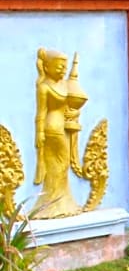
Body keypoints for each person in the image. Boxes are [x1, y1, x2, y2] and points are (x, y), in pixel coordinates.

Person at [32, 47, 83, 218]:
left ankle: (61, 201)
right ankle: (52, 203)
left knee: (61, 165)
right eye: (59, 66)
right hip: (52, 129)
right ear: (47, 67)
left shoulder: (62, 84)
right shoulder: (44, 87)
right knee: (60, 164)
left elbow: (70, 105)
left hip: (62, 126)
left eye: (64, 66)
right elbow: (41, 113)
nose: (63, 70)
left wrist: (74, 113)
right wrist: (39, 133)